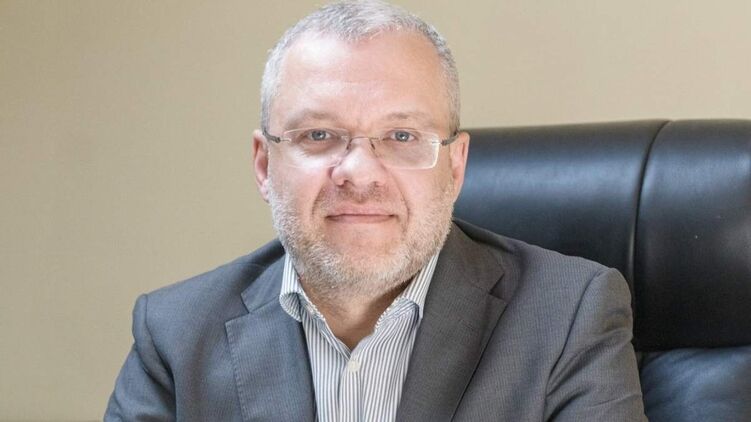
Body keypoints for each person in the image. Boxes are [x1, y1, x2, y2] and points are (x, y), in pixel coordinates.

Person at [105, 1, 646, 420]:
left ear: (455, 167)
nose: (359, 173)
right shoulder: (176, 334)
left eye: (402, 135)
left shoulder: (568, 316)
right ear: (264, 164)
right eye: (319, 135)